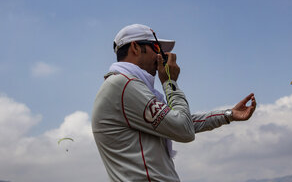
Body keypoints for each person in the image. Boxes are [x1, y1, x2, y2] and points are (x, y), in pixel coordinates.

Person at [92, 24, 257, 182]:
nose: (161, 57)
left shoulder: (125, 85)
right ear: (135, 48)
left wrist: (228, 115)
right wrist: (170, 82)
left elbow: (177, 121)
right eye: (156, 49)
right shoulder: (123, 84)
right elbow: (182, 128)